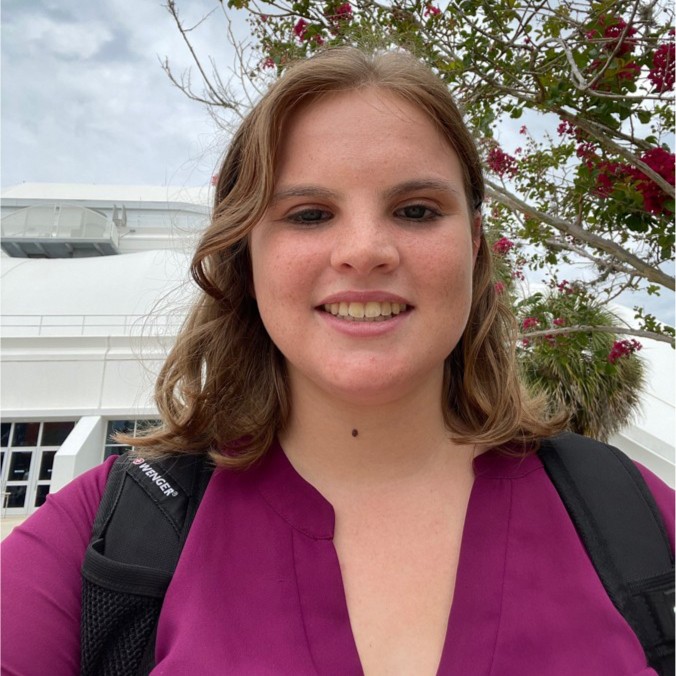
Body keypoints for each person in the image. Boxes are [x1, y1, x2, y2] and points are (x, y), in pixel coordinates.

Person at [2, 47, 673, 676]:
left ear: (473, 245)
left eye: (416, 210)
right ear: (245, 254)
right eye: (309, 214)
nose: (364, 251)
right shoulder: (110, 534)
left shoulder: (633, 519)